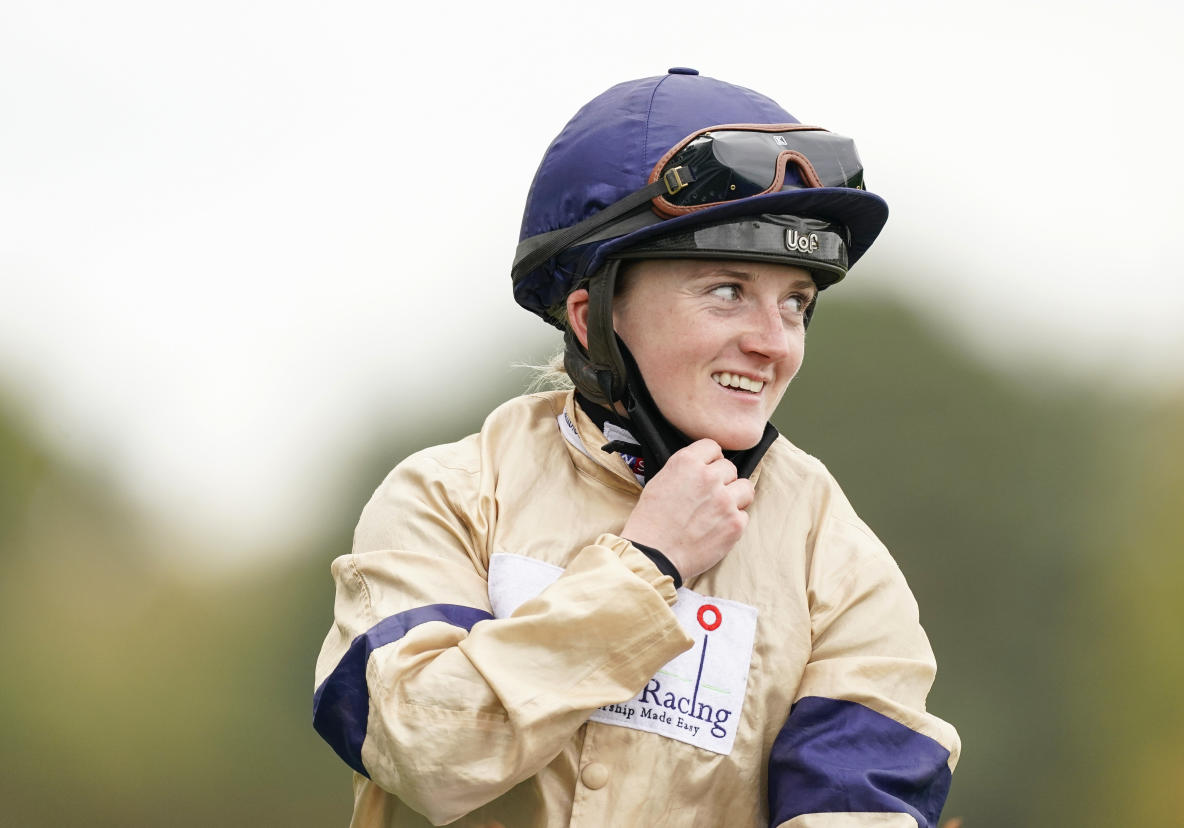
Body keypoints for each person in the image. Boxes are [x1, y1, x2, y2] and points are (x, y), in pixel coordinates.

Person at [313, 68, 961, 827]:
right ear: (592, 318)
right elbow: (425, 755)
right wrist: (645, 568)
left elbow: (857, 810)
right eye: (727, 290)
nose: (771, 343)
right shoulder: (447, 496)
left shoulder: (836, 555)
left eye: (796, 302)